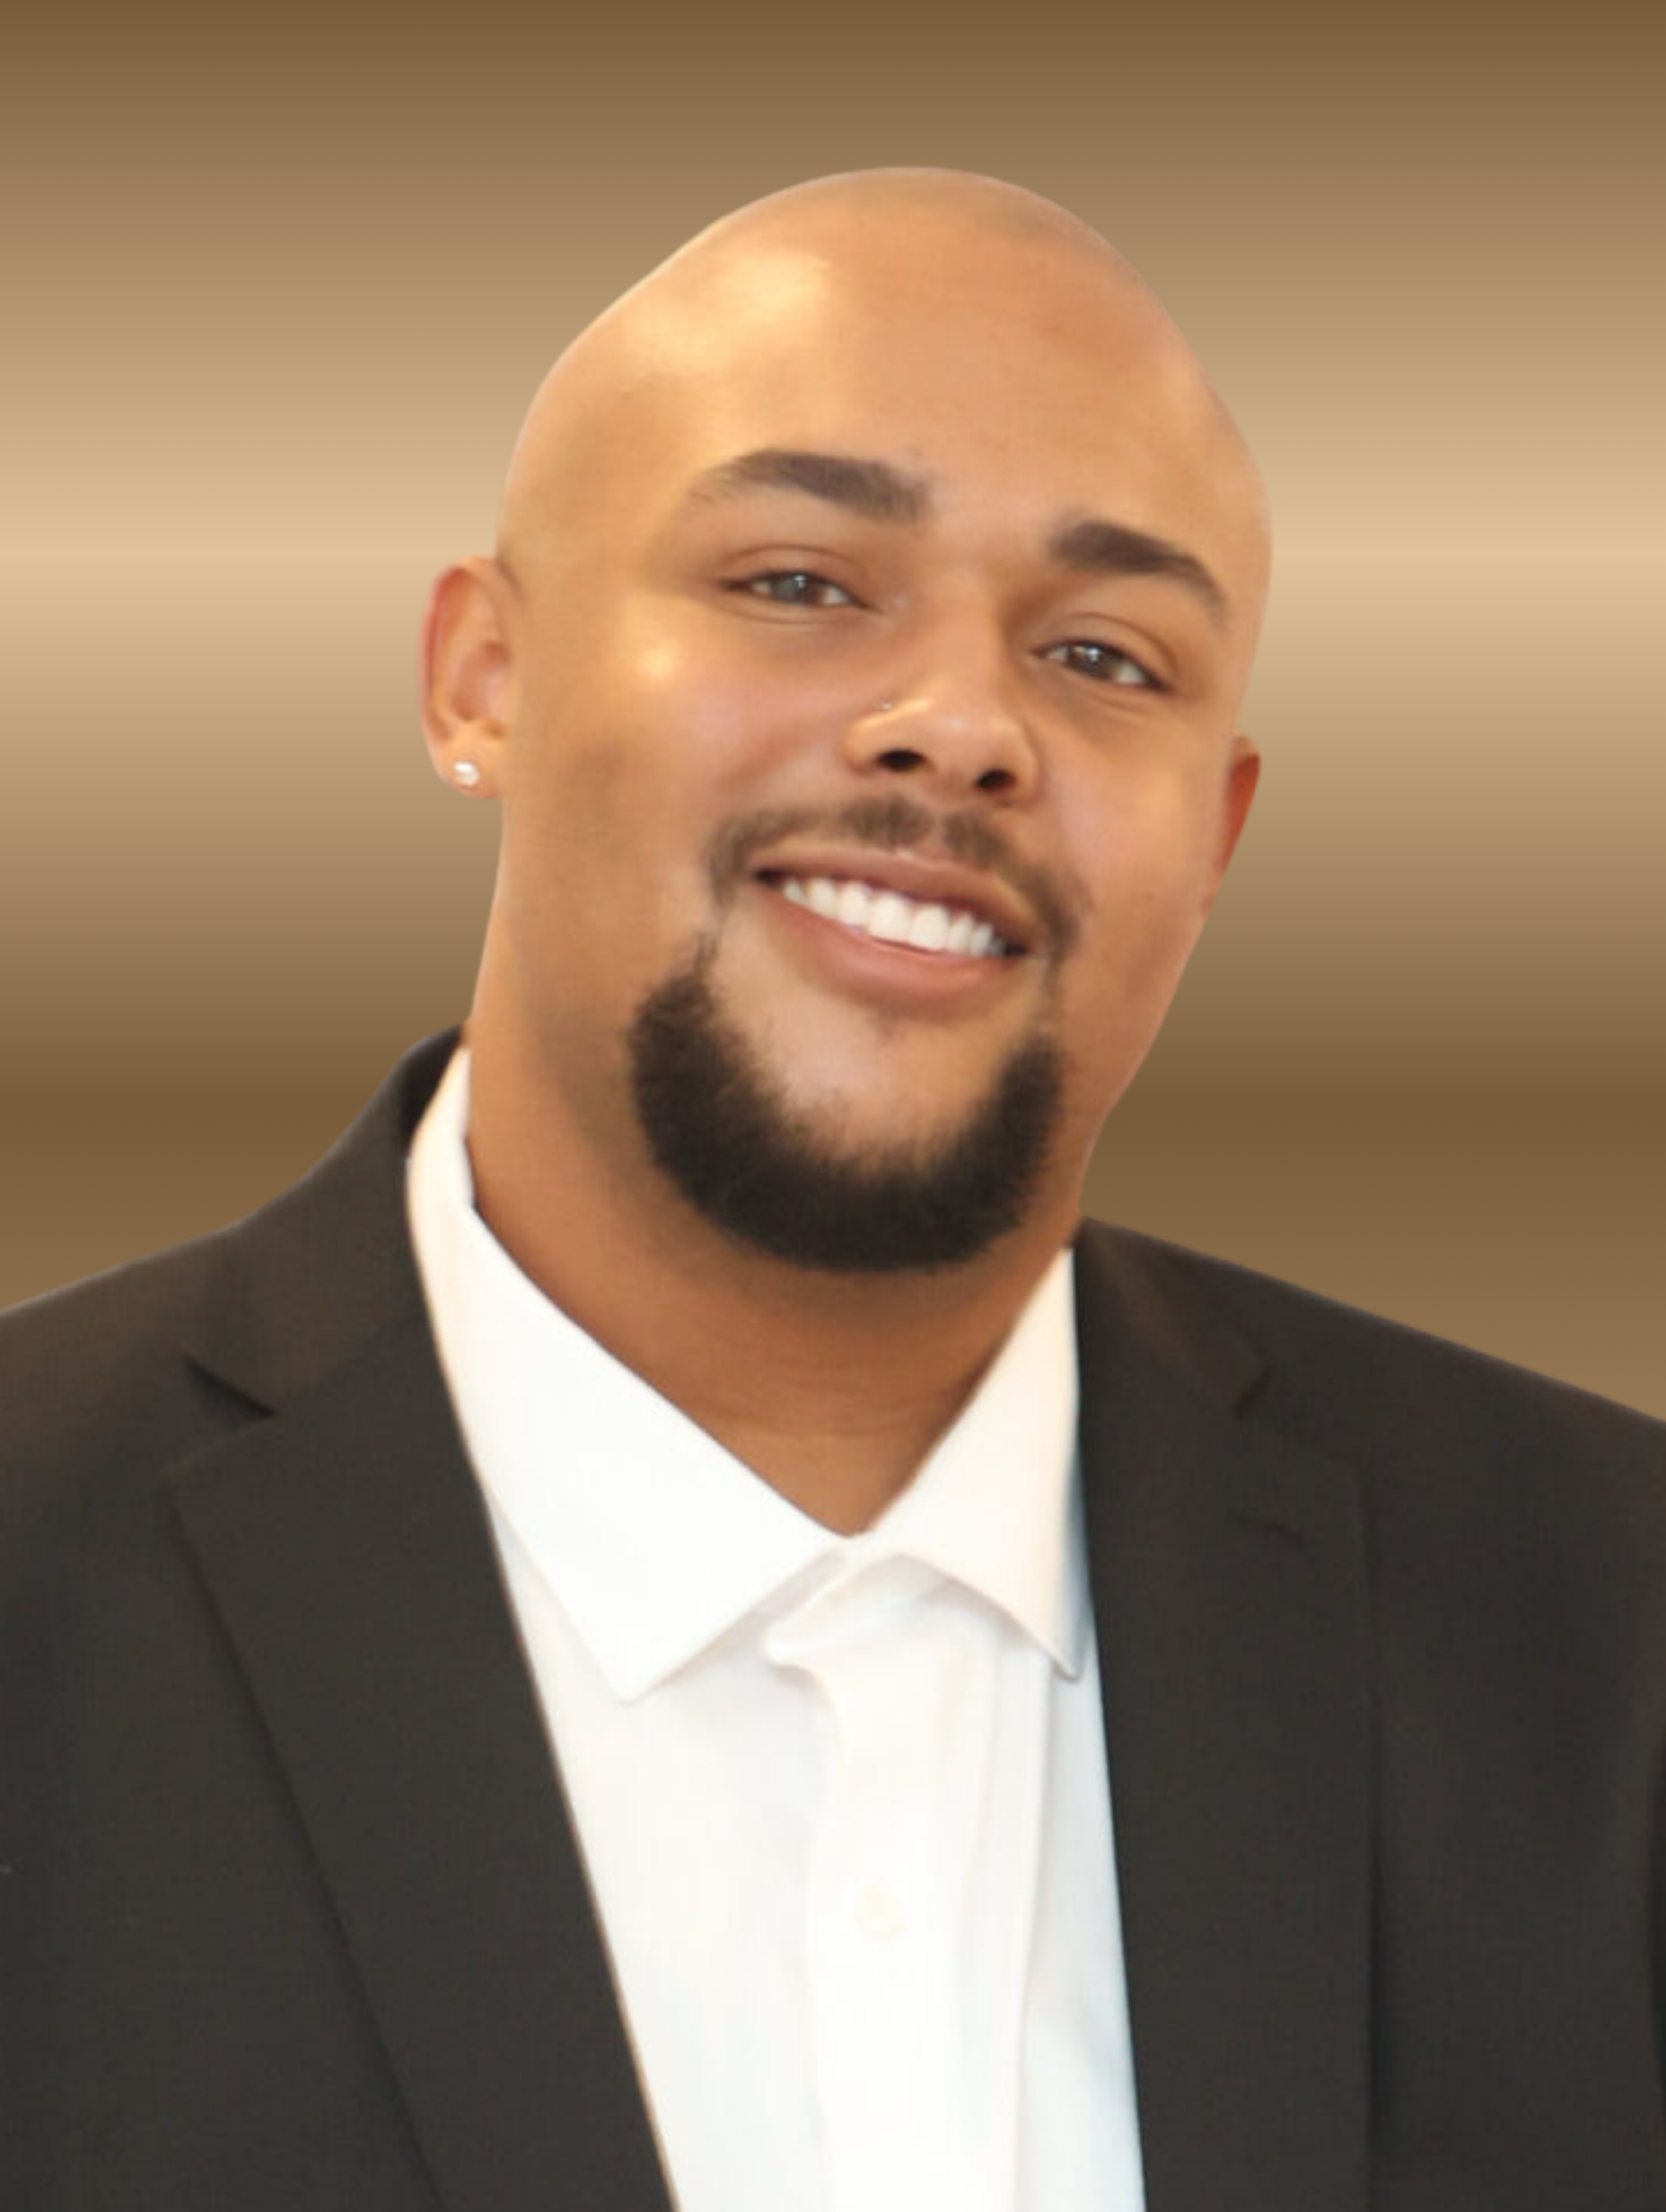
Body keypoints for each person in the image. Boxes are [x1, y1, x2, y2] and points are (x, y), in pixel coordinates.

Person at [2, 167, 1662, 2212]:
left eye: (1106, 654)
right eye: (797, 582)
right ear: (482, 678)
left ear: (1215, 832)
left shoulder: (1613, 1638)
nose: (962, 724)